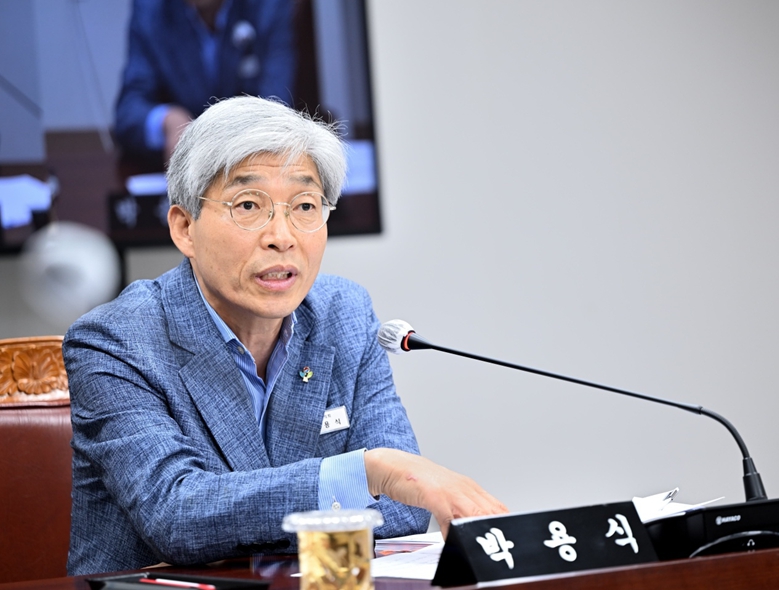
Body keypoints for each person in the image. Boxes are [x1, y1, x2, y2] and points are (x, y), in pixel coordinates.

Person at [64, 95, 507, 575]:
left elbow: (405, 507)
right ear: (185, 227)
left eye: (305, 206)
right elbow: (177, 515)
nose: (282, 236)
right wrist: (364, 475)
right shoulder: (116, 340)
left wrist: (360, 485)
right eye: (248, 205)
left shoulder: (343, 315)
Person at [114, 0, 295, 163]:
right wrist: (167, 120)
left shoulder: (267, 6)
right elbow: (129, 111)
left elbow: (275, 107)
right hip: (181, 171)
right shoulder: (151, 9)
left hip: (248, 160)